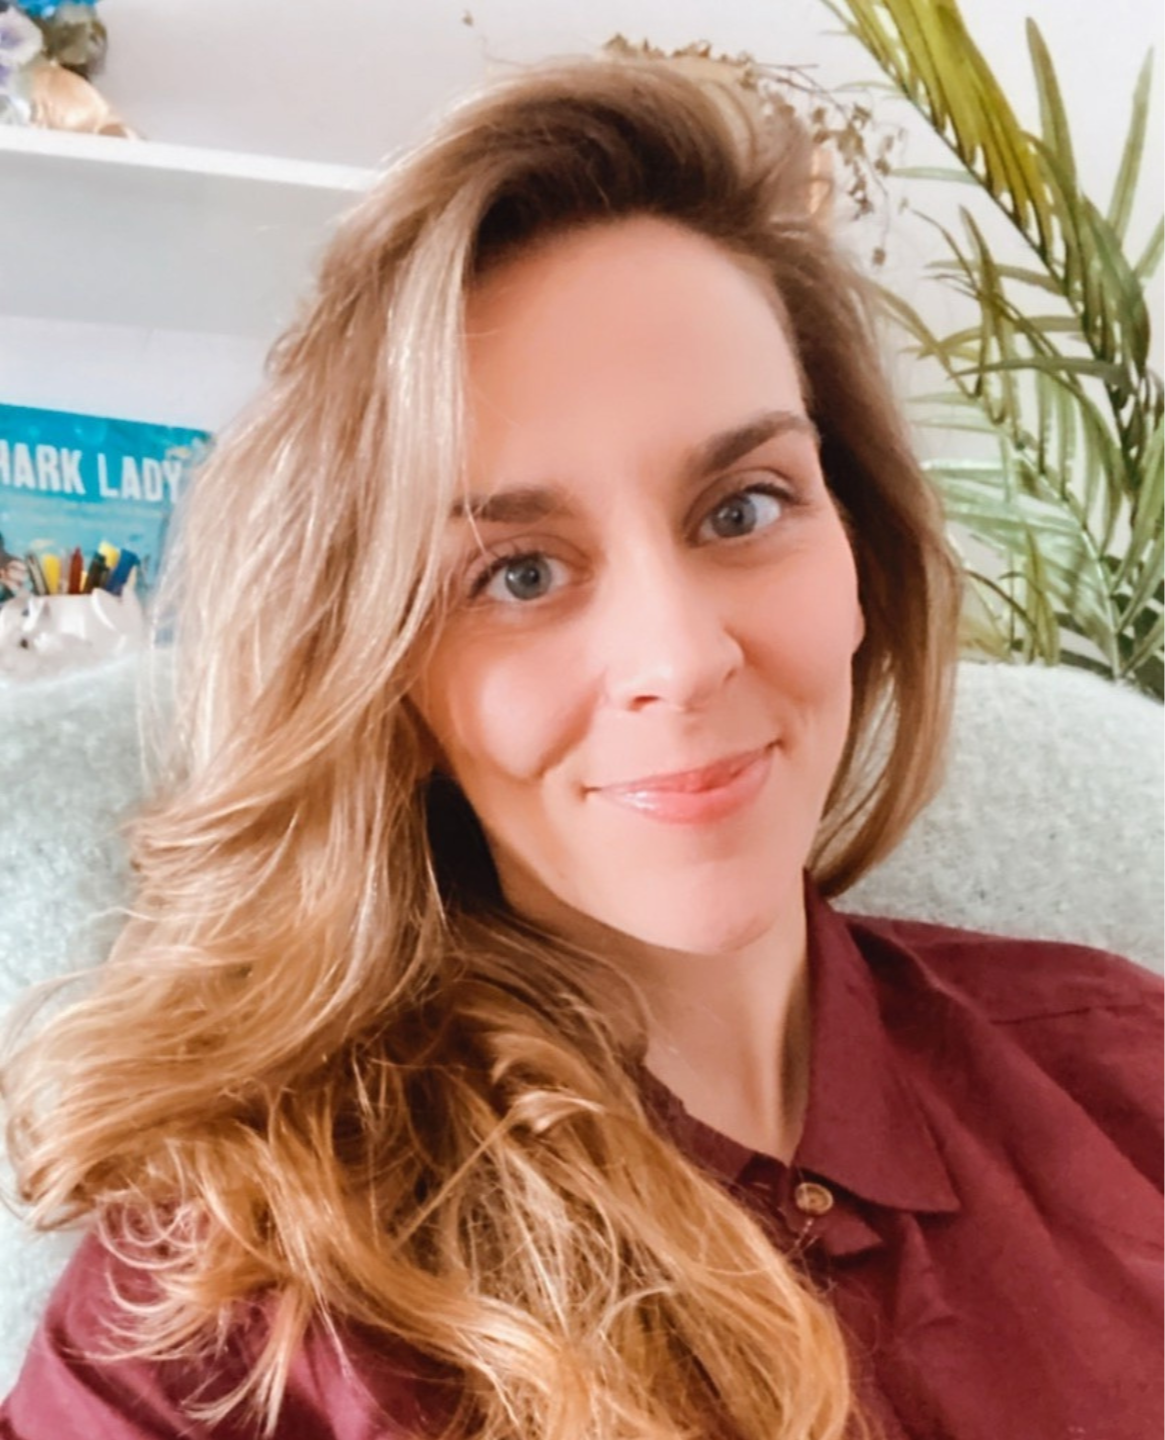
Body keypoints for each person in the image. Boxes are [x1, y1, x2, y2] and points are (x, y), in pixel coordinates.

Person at [2, 57, 1164, 1440]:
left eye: (742, 508)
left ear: (862, 550)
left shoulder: (1122, 1074)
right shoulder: (217, 1312)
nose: (680, 657)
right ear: (388, 680)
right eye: (517, 573)